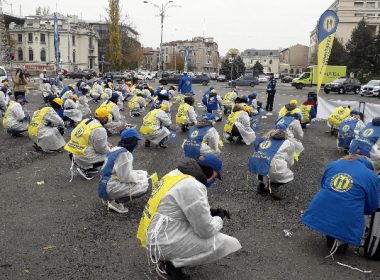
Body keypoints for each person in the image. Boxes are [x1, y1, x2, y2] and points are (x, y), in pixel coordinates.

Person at [137, 154, 241, 279]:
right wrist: (219, 218)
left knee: (197, 229)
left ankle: (168, 257)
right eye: (215, 177)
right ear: (211, 172)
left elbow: (178, 206)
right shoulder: (193, 185)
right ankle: (171, 265)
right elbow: (205, 230)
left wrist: (210, 212)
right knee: (226, 242)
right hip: (161, 241)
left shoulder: (176, 174)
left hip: (153, 233)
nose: (213, 181)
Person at [302, 154, 379, 254]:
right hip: (348, 214)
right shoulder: (372, 176)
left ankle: (331, 235)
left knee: (336, 202)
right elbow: (372, 206)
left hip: (321, 207)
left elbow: (324, 184)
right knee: (353, 208)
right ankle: (342, 240)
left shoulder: (334, 164)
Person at [98, 128, 149, 213]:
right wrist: (141, 179)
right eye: (136, 141)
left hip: (105, 182)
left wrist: (141, 175)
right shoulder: (124, 154)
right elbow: (125, 177)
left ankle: (116, 198)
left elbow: (122, 172)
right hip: (110, 186)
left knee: (142, 174)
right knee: (144, 186)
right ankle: (116, 203)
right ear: (133, 141)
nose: (137, 144)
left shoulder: (117, 149)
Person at [249, 127, 295, 200]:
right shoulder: (287, 143)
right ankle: (274, 186)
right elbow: (290, 160)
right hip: (275, 165)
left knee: (264, 169)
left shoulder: (265, 140)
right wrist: (287, 167)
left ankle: (261, 186)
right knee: (288, 175)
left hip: (258, 165)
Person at [64, 108, 111, 180]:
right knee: (111, 155)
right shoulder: (99, 129)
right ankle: (86, 169)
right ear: (104, 118)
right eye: (107, 117)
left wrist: (105, 144)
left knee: (97, 148)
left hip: (72, 152)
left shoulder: (86, 121)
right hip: (82, 157)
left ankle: (84, 165)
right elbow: (101, 150)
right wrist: (109, 148)